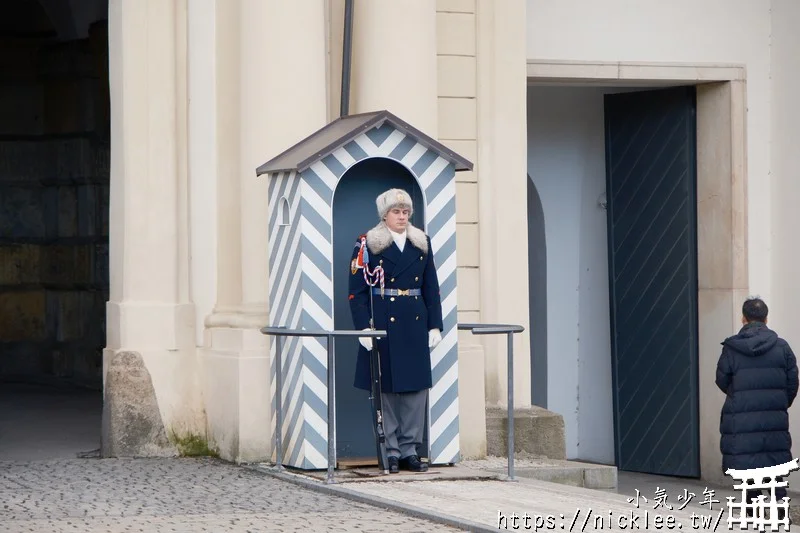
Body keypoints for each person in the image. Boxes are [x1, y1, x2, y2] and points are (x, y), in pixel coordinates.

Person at [348, 188, 443, 473]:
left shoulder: (421, 242)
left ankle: (409, 450)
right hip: (384, 321)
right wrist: (363, 327)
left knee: (415, 390)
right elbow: (357, 291)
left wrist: (435, 324)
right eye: (396, 212)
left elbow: (431, 287)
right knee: (386, 389)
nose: (402, 217)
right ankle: (390, 450)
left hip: (414, 318)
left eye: (405, 212)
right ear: (384, 215)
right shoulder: (367, 243)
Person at [716, 297, 798, 510]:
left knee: (748, 474)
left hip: (742, 421)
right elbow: (792, 382)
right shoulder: (782, 347)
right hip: (774, 421)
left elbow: (722, 380)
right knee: (774, 470)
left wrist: (741, 398)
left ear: (743, 318)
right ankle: (779, 513)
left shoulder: (732, 348)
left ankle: (753, 516)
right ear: (766, 318)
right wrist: (778, 403)